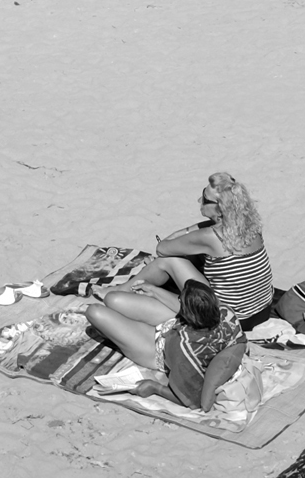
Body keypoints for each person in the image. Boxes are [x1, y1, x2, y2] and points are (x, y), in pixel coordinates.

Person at [118, 174, 275, 329]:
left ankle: (119, 290)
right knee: (198, 258)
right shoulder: (251, 225)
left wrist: (194, 229)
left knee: (168, 261)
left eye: (205, 199)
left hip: (231, 320)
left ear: (221, 208)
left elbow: (162, 249)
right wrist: (208, 223)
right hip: (262, 311)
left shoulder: (210, 236)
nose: (199, 201)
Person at [83, 278, 245, 411]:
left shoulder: (186, 349)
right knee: (112, 298)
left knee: (95, 312)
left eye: (180, 300)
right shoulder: (225, 311)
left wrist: (155, 388)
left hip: (159, 351)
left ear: (186, 312)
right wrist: (153, 290)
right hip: (176, 326)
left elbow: (194, 399)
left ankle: (118, 335)